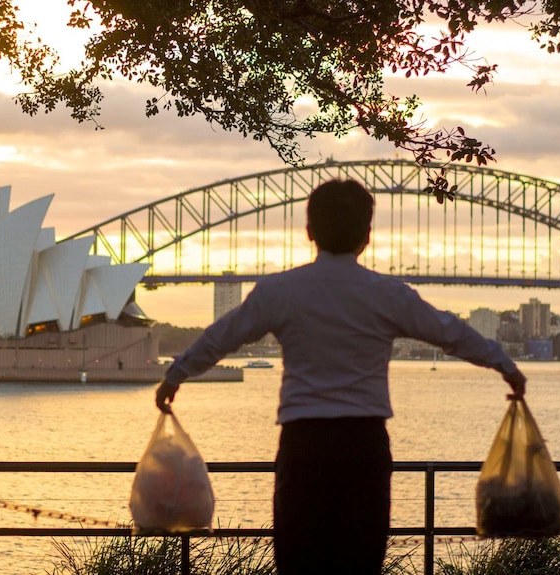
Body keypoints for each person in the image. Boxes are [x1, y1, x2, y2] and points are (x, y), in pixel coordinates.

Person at [155, 178, 526, 575]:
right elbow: (451, 333)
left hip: (304, 444)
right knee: (359, 560)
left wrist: (176, 375)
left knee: (300, 561)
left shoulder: (280, 291)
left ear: (309, 232)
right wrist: (505, 366)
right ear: (366, 236)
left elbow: (221, 338)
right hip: (363, 445)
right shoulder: (387, 294)